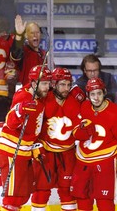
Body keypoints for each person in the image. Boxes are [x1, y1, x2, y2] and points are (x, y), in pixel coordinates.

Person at [70, 77, 117, 211]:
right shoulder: (84, 107)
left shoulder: (115, 112)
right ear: (87, 95)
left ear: (104, 92)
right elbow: (75, 132)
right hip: (83, 161)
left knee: (105, 203)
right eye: (92, 94)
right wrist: (82, 131)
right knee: (82, 200)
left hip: (105, 161)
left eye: (99, 93)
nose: (96, 97)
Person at [0, 65, 52, 211]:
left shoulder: (38, 95)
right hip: (11, 152)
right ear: (34, 83)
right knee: (12, 198)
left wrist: (35, 145)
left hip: (24, 153)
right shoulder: (23, 97)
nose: (48, 87)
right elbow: (10, 122)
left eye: (48, 83)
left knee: (22, 196)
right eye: (44, 83)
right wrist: (20, 110)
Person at [31, 67, 82, 211]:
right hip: (46, 152)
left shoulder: (75, 101)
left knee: (67, 192)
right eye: (62, 84)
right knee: (41, 191)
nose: (66, 88)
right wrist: (35, 145)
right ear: (54, 83)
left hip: (68, 153)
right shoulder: (43, 99)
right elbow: (33, 126)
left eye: (68, 84)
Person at [10, 17, 48, 86]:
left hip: (41, 94)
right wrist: (19, 35)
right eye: (32, 33)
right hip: (26, 93)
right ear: (26, 36)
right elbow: (16, 53)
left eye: (37, 32)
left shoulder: (44, 54)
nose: (35, 35)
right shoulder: (23, 51)